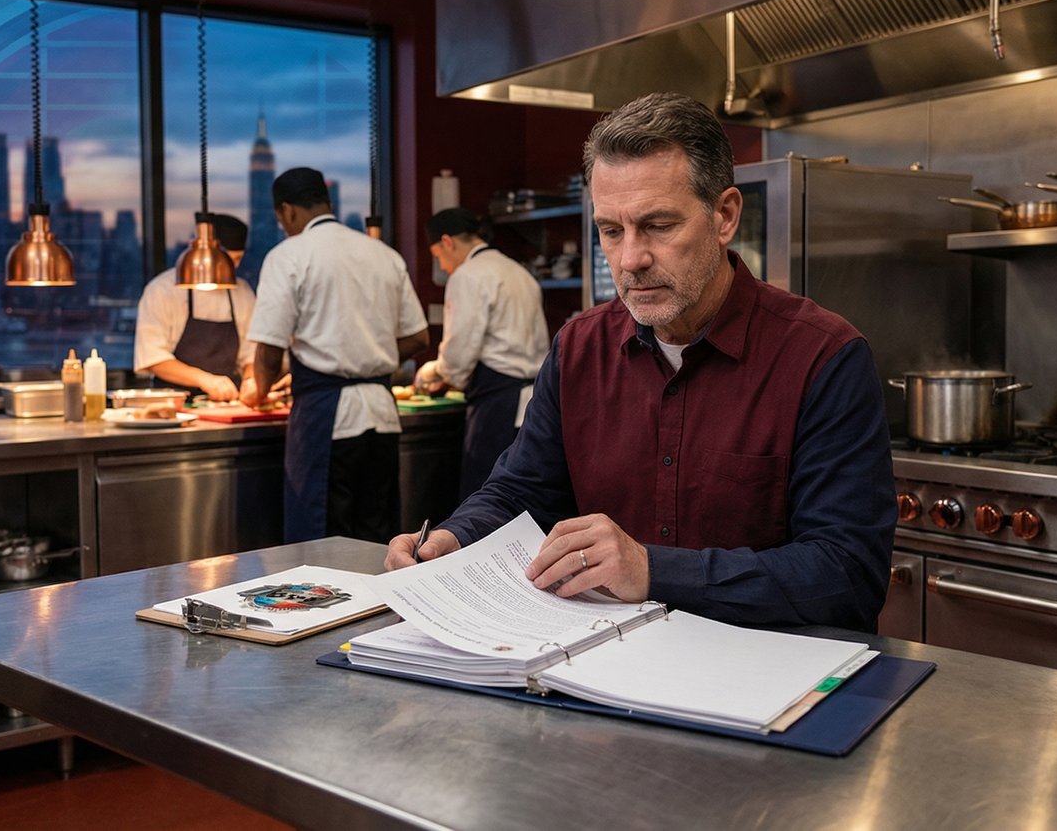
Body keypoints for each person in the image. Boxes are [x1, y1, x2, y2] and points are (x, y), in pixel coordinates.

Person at [384, 92, 896, 632]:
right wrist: (454, 539)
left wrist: (653, 570)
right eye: (611, 231)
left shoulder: (823, 357)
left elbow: (847, 575)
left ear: (724, 216)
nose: (631, 260)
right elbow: (521, 490)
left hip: (771, 684)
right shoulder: (579, 347)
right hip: (600, 668)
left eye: (658, 225)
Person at [244, 167, 429, 543]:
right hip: (381, 415)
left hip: (326, 418)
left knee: (324, 537)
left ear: (287, 212)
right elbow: (418, 336)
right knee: (377, 533)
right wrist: (370, 355)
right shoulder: (383, 254)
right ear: (326, 202)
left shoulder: (288, 255)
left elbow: (268, 348)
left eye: (281, 219)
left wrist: (259, 392)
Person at [417, 207, 550, 500]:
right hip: (537, 400)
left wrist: (441, 374)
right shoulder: (518, 270)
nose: (443, 265)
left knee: (487, 495)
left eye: (438, 255)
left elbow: (459, 352)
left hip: (497, 404)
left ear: (448, 242)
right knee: (524, 494)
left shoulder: (467, 276)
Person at [133, 213, 255, 403]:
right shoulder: (162, 290)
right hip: (172, 405)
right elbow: (153, 357)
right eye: (227, 259)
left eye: (238, 259)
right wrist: (205, 379)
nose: (232, 267)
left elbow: (252, 354)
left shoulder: (243, 291)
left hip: (227, 402)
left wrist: (251, 381)